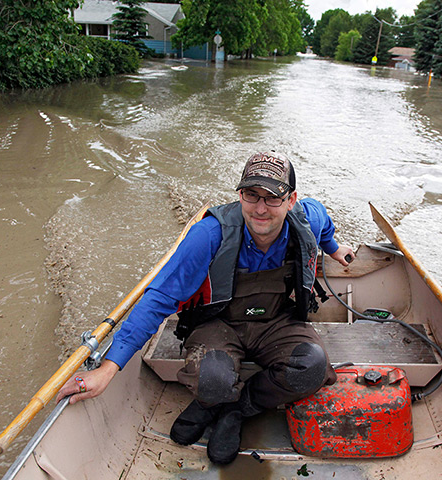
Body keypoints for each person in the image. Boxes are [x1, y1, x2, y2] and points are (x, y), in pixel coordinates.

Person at [56, 151, 354, 464]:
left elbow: (324, 229)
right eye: (251, 195)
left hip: (277, 321)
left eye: (273, 198)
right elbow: (158, 298)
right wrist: (108, 368)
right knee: (211, 379)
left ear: (292, 200)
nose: (261, 208)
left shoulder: (308, 218)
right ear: (240, 195)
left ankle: (236, 409)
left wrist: (334, 249)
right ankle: (213, 401)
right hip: (218, 323)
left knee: (313, 366)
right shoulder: (208, 235)